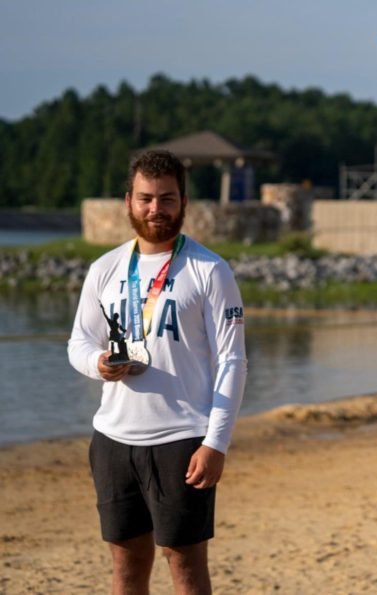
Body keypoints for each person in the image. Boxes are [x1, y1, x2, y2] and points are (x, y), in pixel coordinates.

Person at [68, 150, 248, 594]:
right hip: (113, 440)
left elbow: (233, 361)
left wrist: (216, 443)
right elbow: (78, 343)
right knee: (126, 568)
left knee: (184, 567)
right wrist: (98, 365)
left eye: (167, 199)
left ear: (184, 202)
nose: (156, 209)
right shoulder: (105, 268)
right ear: (127, 201)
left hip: (183, 441)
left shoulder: (210, 270)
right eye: (146, 198)